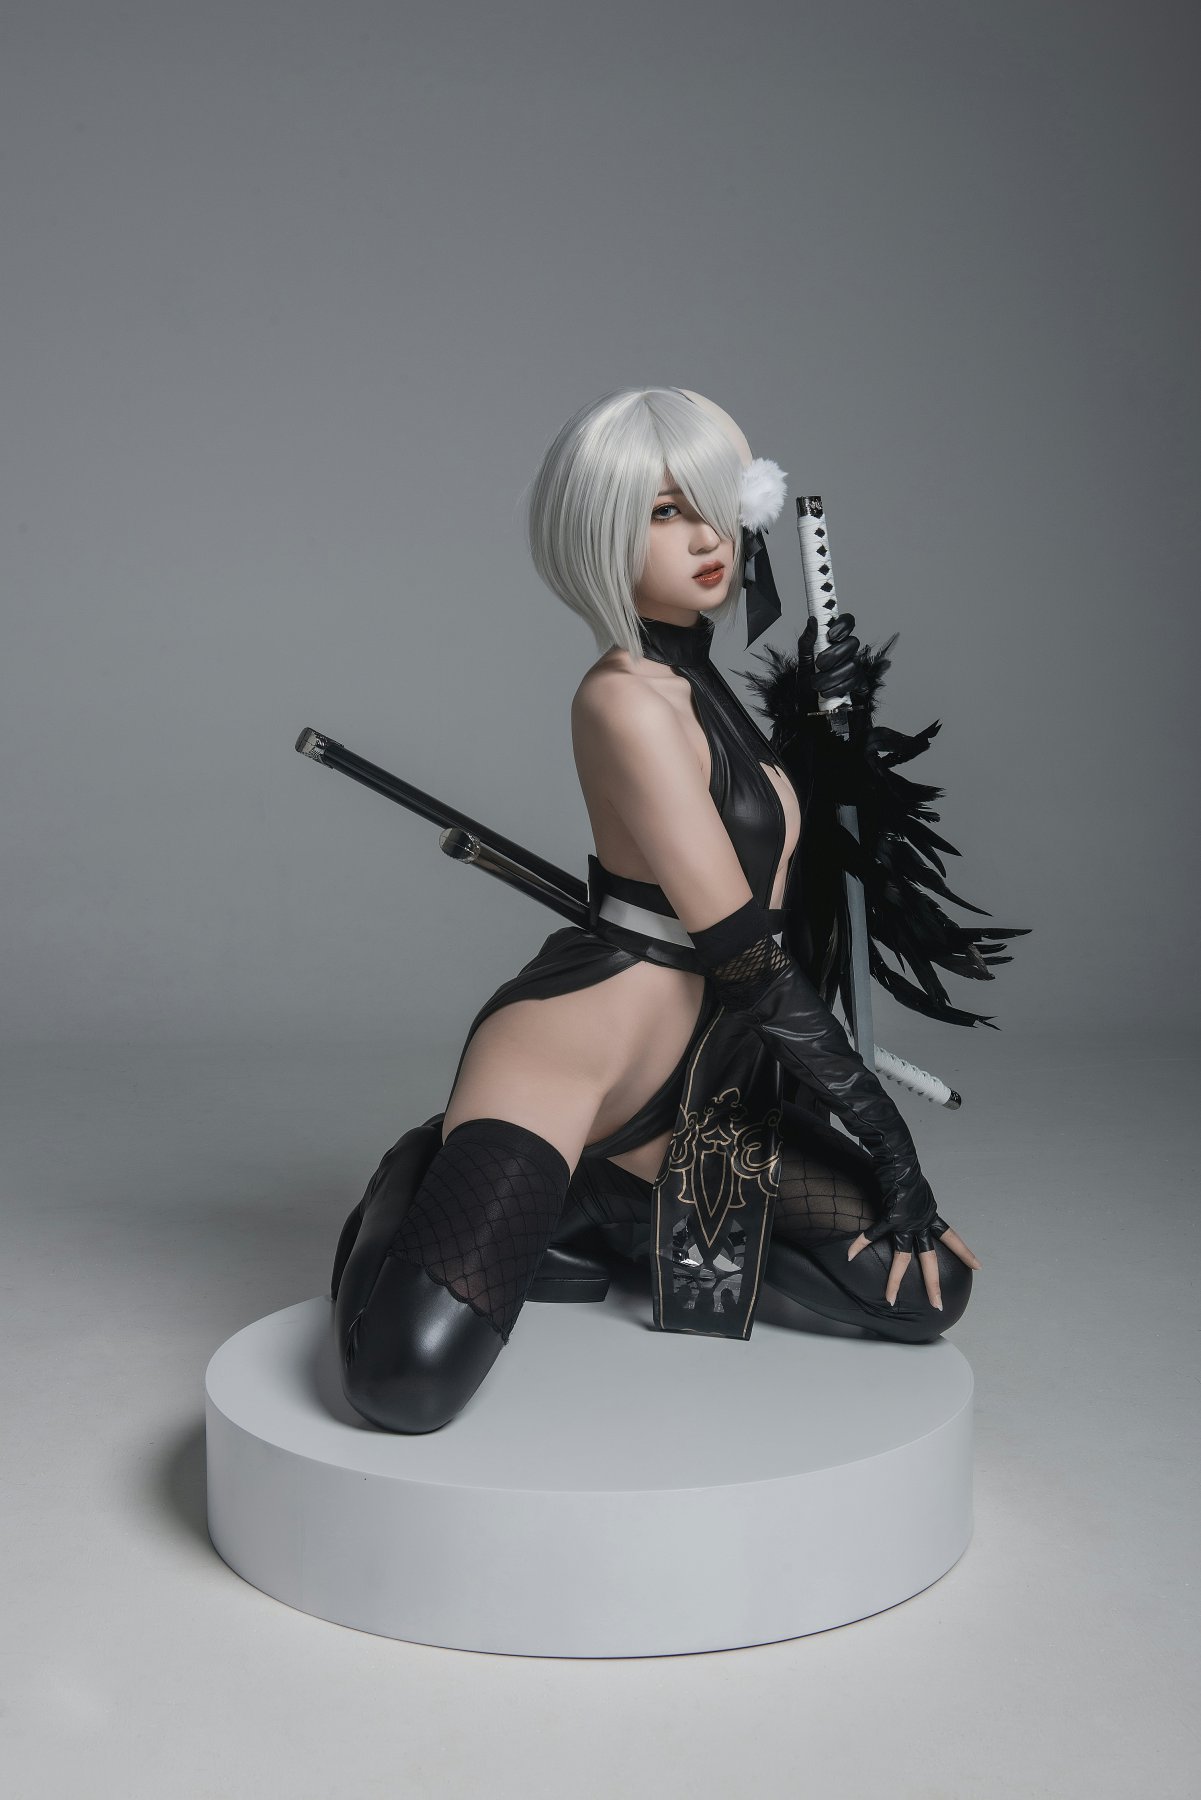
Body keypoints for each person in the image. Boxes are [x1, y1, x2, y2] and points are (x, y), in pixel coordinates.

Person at [331, 386, 984, 1434]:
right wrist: (889, 1143)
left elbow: (783, 863)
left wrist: (829, 738)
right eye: (665, 512)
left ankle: (600, 1199)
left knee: (927, 1290)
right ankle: (430, 1162)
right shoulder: (623, 700)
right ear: (601, 529)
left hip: (704, 1081)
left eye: (716, 505)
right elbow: (747, 957)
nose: (707, 538)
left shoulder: (703, 686)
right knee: (404, 1384)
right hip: (571, 1065)